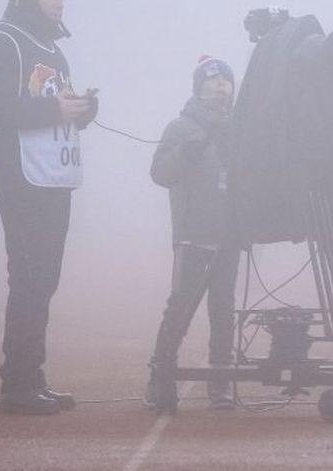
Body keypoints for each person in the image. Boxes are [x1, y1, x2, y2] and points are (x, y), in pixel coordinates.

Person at [0, 0, 98, 415]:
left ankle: (32, 379)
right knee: (27, 277)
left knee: (44, 279)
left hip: (53, 177)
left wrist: (82, 110)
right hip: (18, 177)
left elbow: (53, 105)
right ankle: (17, 384)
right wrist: (53, 111)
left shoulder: (52, 49)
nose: (59, 2)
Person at [143, 56, 241, 414]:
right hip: (192, 235)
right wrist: (186, 154)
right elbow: (160, 173)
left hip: (229, 236)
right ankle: (160, 375)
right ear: (198, 86)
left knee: (223, 309)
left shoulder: (239, 128)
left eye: (226, 81)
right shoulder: (180, 127)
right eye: (213, 81)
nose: (221, 87)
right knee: (181, 306)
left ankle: (221, 383)